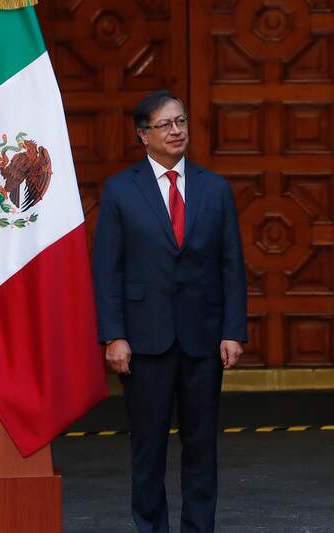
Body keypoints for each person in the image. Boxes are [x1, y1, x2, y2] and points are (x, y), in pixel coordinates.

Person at [93, 90, 248, 533]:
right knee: (148, 449)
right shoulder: (122, 190)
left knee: (202, 448)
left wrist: (233, 330)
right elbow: (108, 269)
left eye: (181, 121)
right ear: (143, 136)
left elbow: (231, 264)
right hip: (145, 341)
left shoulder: (214, 188)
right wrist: (114, 335)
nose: (176, 131)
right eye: (165, 125)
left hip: (203, 338)